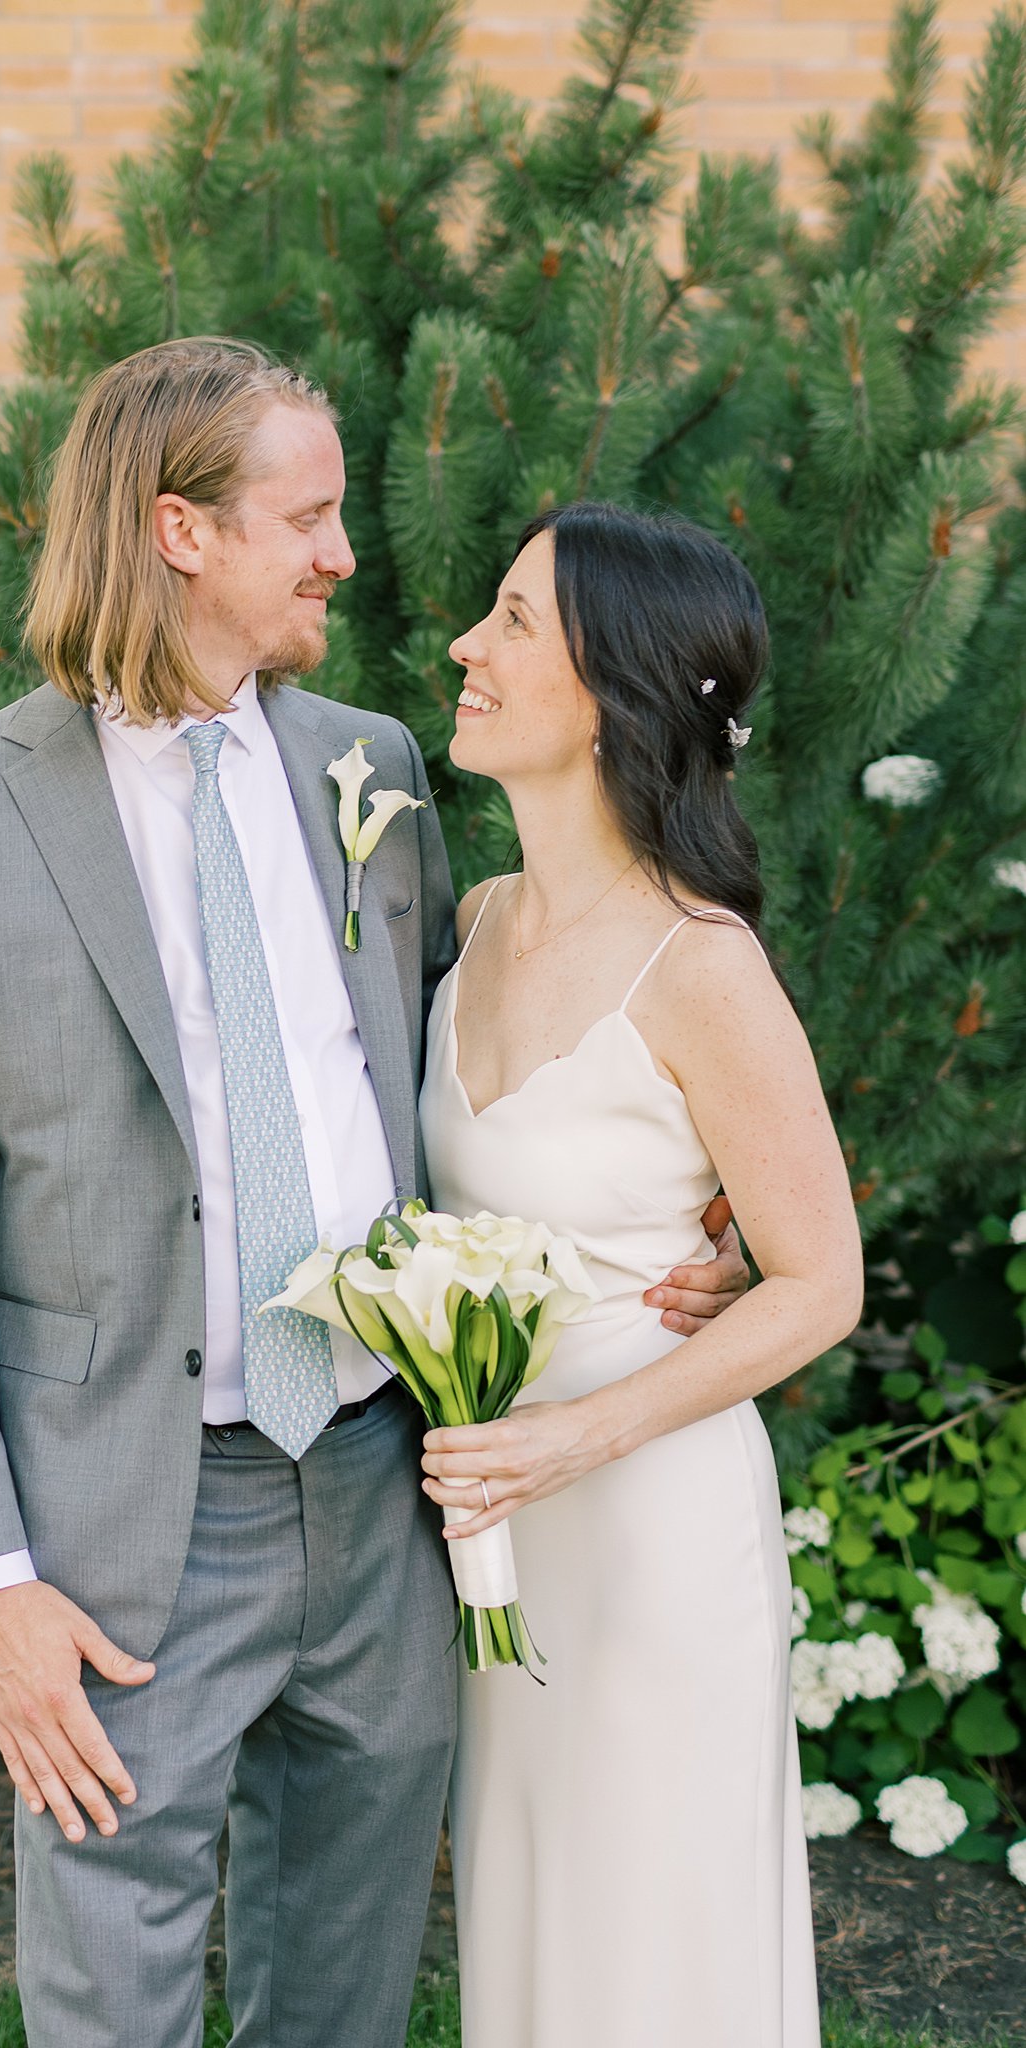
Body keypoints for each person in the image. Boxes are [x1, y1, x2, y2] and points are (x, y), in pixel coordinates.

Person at [0, 341, 747, 2048]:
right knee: (112, 1993)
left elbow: (472, 1063)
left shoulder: (377, 766)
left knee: (340, 1982)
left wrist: (664, 1227)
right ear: (179, 531)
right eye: (308, 515)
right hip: (125, 1510)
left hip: (379, 1482)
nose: (344, 553)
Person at [417, 501, 865, 2048]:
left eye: (514, 621)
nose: (465, 646)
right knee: (535, 1928)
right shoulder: (467, 924)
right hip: (500, 1545)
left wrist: (564, 1440)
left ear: (616, 693)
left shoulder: (701, 965)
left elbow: (819, 1281)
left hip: (649, 1534)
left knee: (656, 1949)